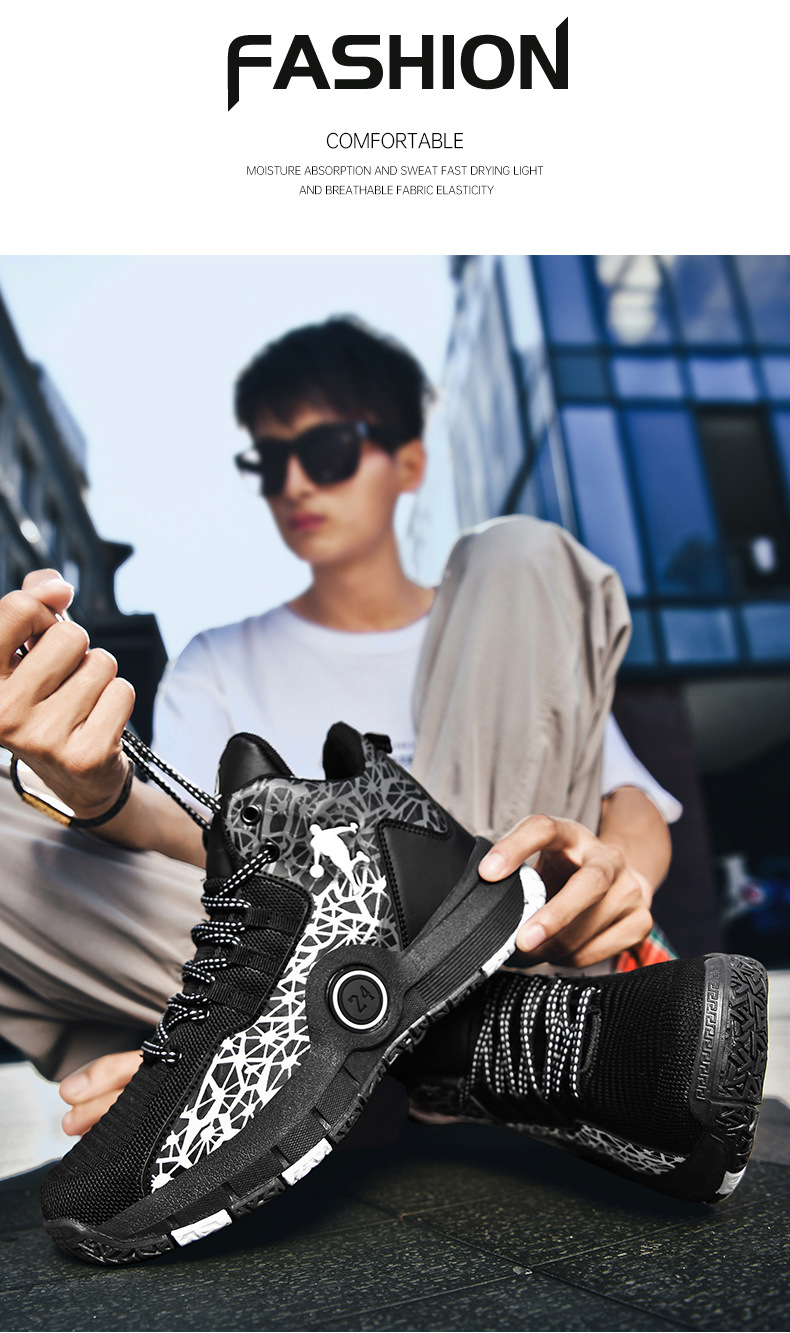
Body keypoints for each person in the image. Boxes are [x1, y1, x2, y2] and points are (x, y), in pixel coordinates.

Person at [0, 317, 680, 1142]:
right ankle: (451, 1049)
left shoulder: (503, 614)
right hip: (303, 964)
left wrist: (624, 878)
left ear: (409, 462)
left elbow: (627, 800)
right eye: (268, 460)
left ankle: (303, 1064)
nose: (294, 483)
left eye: (326, 452)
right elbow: (200, 849)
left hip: (501, 947)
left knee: (522, 551)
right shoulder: (220, 660)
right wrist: (98, 789)